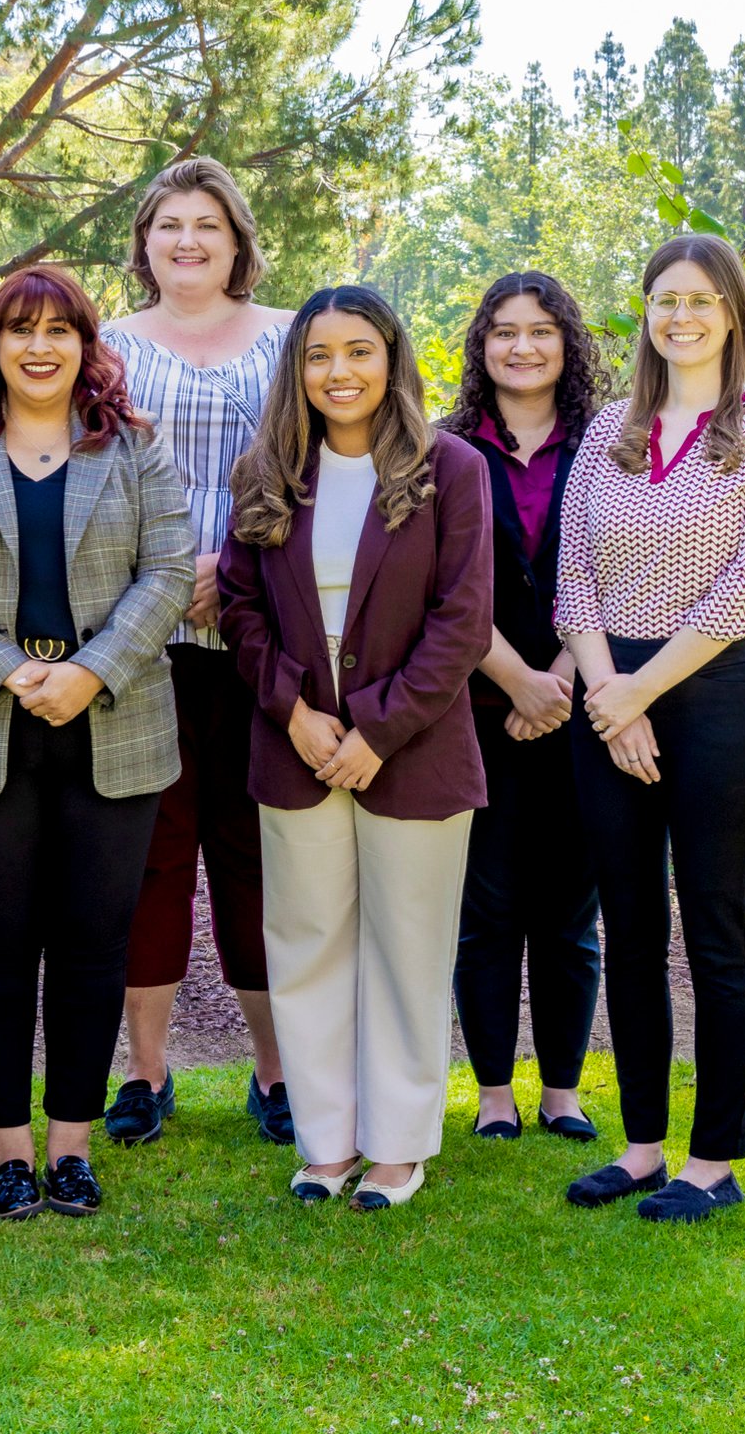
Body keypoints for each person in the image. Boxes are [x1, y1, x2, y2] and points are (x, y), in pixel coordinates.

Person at [0, 266, 194, 1219]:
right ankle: (7, 1148)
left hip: (115, 724)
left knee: (96, 942)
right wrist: (16, 671)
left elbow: (171, 568)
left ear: (85, 344)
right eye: (20, 329)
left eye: (60, 329)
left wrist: (90, 670)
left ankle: (72, 1144)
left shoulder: (133, 445)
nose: (40, 346)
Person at [556, 234, 745, 1223]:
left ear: (731, 313)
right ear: (647, 315)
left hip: (711, 700)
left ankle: (713, 1160)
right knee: (626, 928)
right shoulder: (607, 432)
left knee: (711, 928)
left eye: (701, 300)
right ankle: (642, 1147)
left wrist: (639, 692)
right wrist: (607, 693)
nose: (681, 317)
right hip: (606, 690)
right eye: (665, 300)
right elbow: (572, 574)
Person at [217, 285, 492, 1211]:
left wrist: (378, 728)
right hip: (296, 748)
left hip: (412, 751)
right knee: (306, 948)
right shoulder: (266, 469)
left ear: (392, 358)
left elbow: (462, 622)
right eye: (320, 354)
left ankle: (399, 1145)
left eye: (360, 351)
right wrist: (296, 712)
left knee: (408, 950)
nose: (340, 372)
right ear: (297, 368)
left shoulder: (449, 469)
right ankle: (326, 1142)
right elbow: (241, 609)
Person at [100, 157, 296, 1145]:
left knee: (257, 854)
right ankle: (145, 1075)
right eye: (168, 224)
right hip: (142, 642)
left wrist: (240, 565)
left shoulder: (292, 337)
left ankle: (275, 1073)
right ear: (144, 242)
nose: (186, 241)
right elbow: (92, 479)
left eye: (205, 225)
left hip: (267, 634)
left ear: (235, 241)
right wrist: (173, 575)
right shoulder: (105, 346)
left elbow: (317, 463)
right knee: (152, 856)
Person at [439, 273, 609, 1142]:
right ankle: (497, 1092)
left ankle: (565, 1091)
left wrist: (563, 681)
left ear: (566, 343)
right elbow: (439, 586)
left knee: (570, 911)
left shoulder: (617, 445)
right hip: (478, 707)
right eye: (503, 332)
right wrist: (517, 681)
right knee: (490, 902)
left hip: (593, 700)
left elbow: (626, 575)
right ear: (481, 347)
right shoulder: (443, 449)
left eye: (540, 331)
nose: (522, 347)